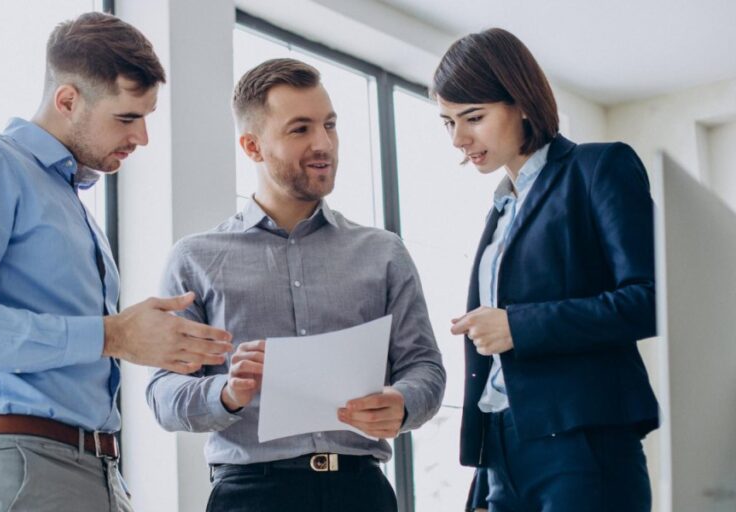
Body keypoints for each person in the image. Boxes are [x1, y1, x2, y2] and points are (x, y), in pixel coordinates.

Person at [0, 12, 233, 512]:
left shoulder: (70, 204)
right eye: (127, 118)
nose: (142, 137)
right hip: (20, 468)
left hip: (97, 472)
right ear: (67, 100)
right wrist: (113, 335)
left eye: (146, 117)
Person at [145, 58, 446, 512]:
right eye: (300, 129)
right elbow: (162, 393)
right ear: (252, 146)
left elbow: (425, 367)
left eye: (329, 125)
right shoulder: (195, 258)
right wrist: (226, 392)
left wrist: (401, 402)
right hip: (250, 495)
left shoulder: (383, 252)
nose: (323, 143)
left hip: (361, 491)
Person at [433, 28, 659, 511]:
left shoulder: (598, 168)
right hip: (500, 448)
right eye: (447, 122)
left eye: (473, 117)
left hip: (581, 446)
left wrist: (519, 326)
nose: (459, 138)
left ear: (523, 101)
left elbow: (649, 299)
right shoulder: (499, 212)